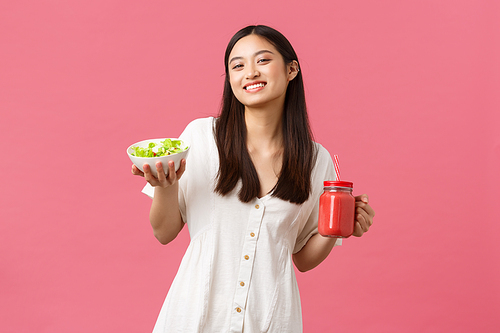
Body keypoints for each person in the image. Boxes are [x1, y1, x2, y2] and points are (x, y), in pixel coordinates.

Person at [131, 25, 375, 333]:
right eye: (237, 65)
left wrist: (336, 227)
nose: (250, 72)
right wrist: (166, 187)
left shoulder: (316, 160)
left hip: (271, 321)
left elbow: (301, 258)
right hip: (194, 318)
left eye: (262, 60)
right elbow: (164, 232)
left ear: (291, 69)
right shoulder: (201, 138)